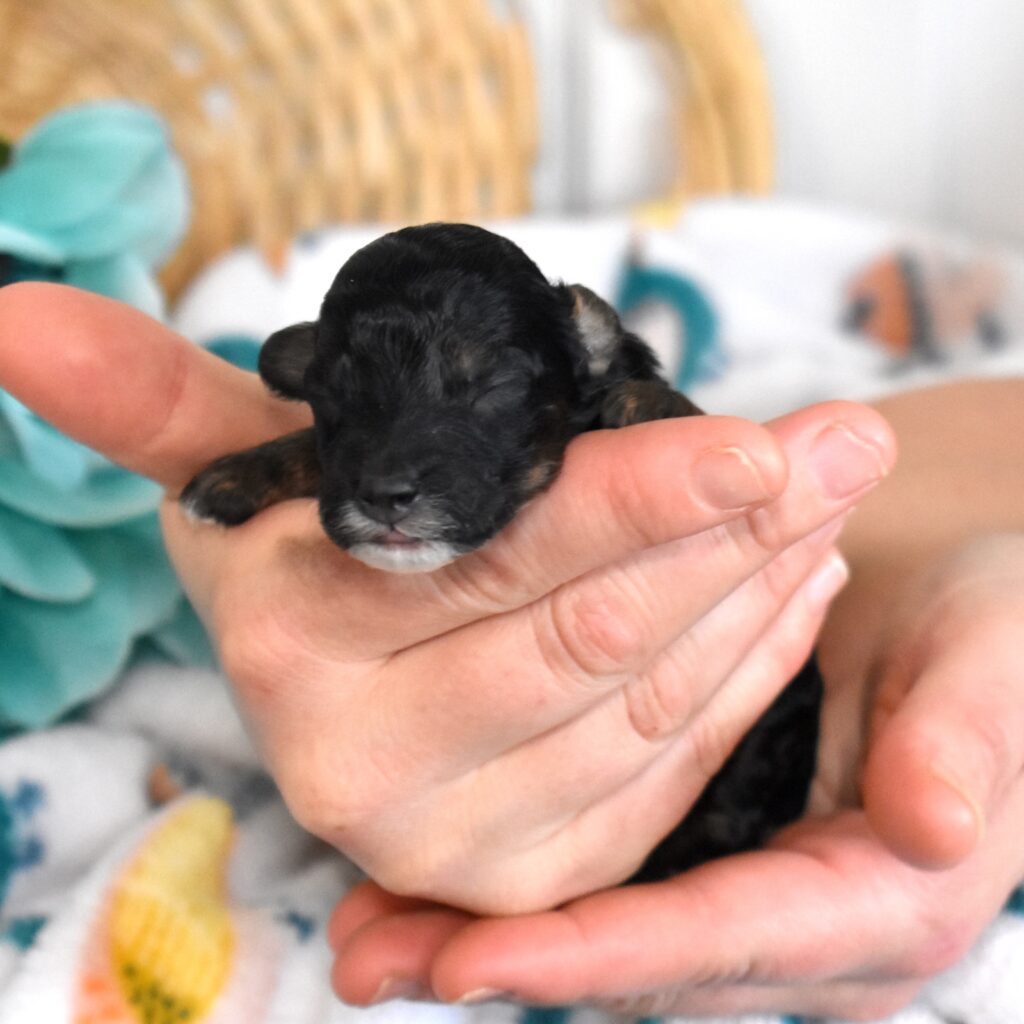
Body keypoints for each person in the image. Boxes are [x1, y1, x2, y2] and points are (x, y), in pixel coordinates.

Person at [2, 281, 1022, 1021]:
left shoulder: (616, 395)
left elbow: (726, 465)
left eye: (477, 389)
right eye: (351, 400)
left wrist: (839, 573)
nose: (396, 477)